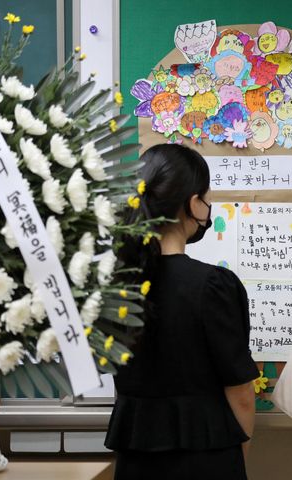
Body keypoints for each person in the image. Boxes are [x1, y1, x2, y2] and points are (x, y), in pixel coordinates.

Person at [105, 143, 259, 480]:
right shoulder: (214, 286)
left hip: (136, 460)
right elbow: (241, 394)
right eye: (206, 199)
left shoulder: (115, 288)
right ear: (193, 204)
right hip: (207, 459)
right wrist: (238, 459)